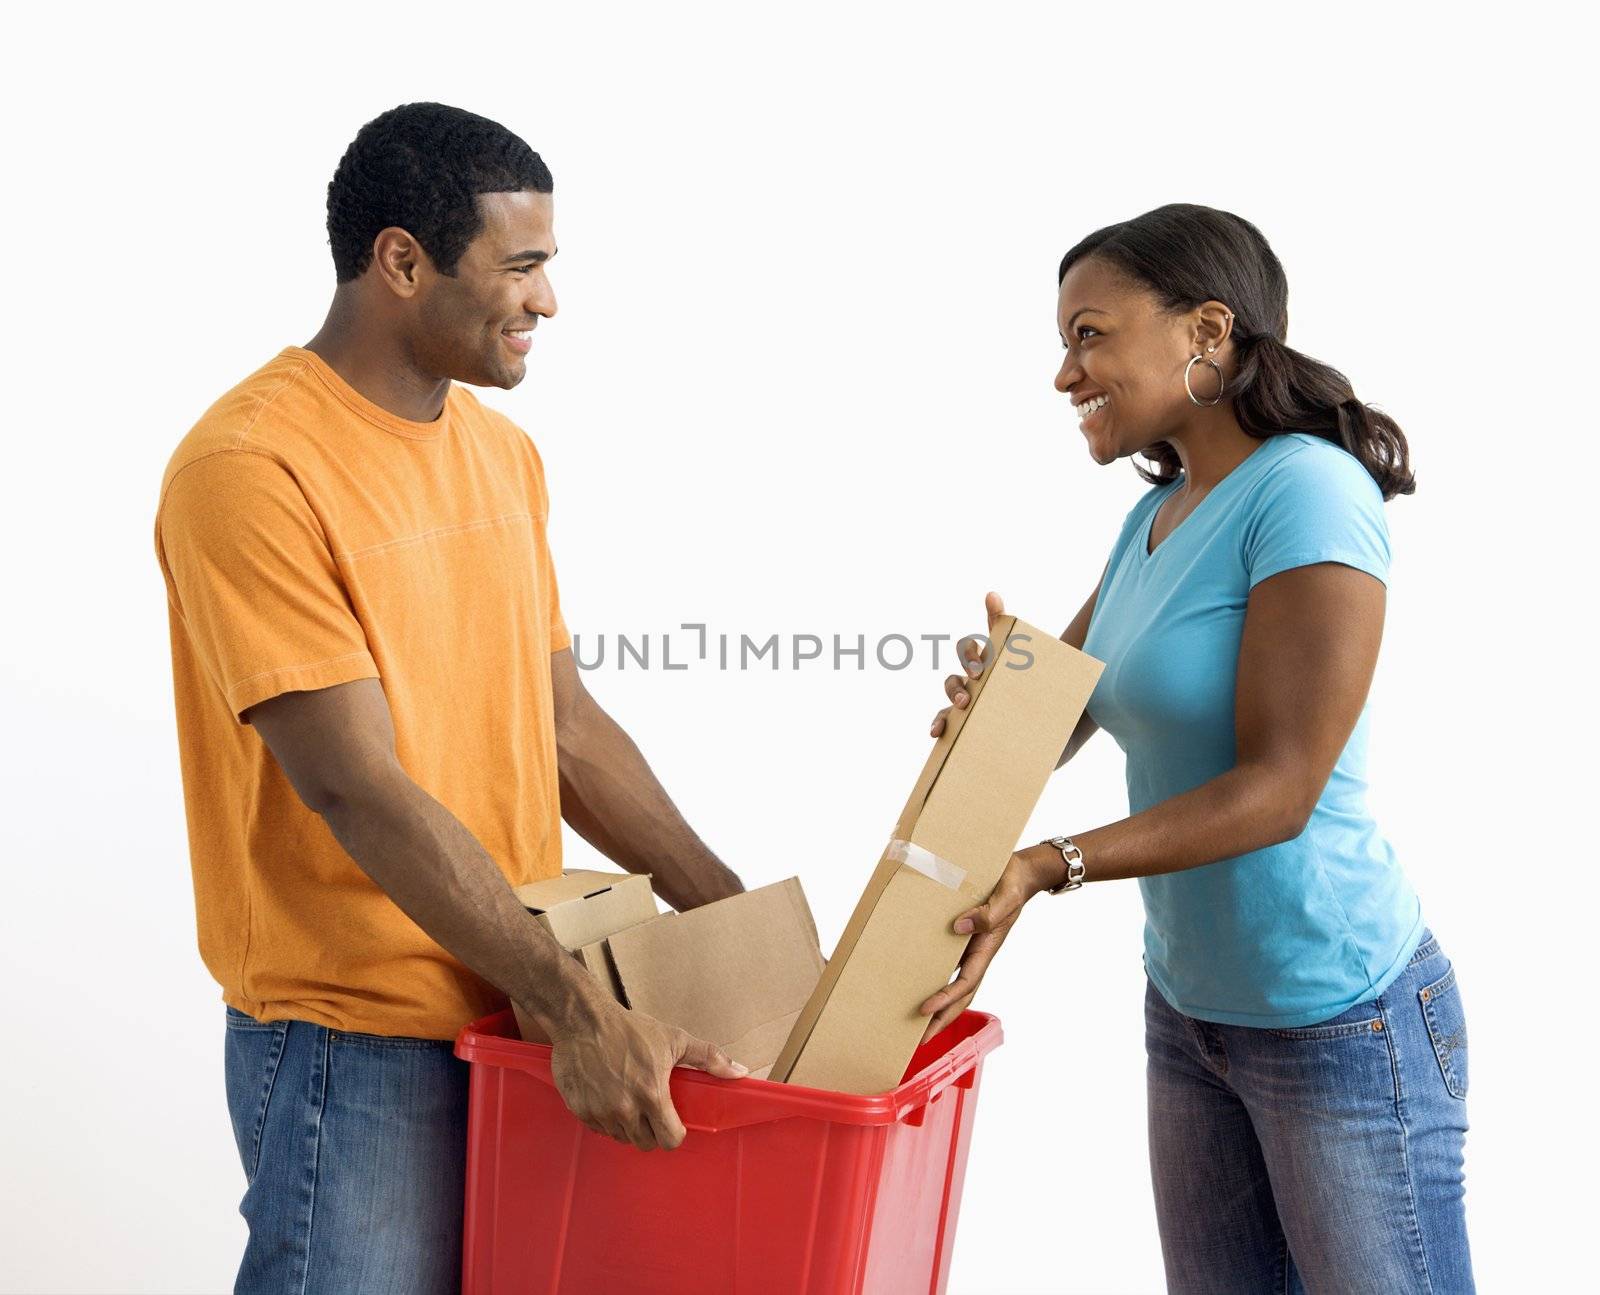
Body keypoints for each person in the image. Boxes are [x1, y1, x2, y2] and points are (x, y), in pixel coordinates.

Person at [153, 102, 748, 1295]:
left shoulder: (500, 453)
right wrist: (572, 1004)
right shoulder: (252, 467)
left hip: (516, 1018)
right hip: (354, 1041)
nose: (547, 301)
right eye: (521, 265)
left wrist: (735, 918)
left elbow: (567, 732)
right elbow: (352, 784)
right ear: (402, 259)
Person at [917, 204, 1474, 1294]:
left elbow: (1279, 789)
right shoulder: (1161, 514)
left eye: (1090, 334)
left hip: (1340, 1014)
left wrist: (1044, 864)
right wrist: (986, 717)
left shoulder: (1309, 491)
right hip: (1190, 1009)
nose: (1064, 374)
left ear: (1206, 332)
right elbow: (1057, 712)